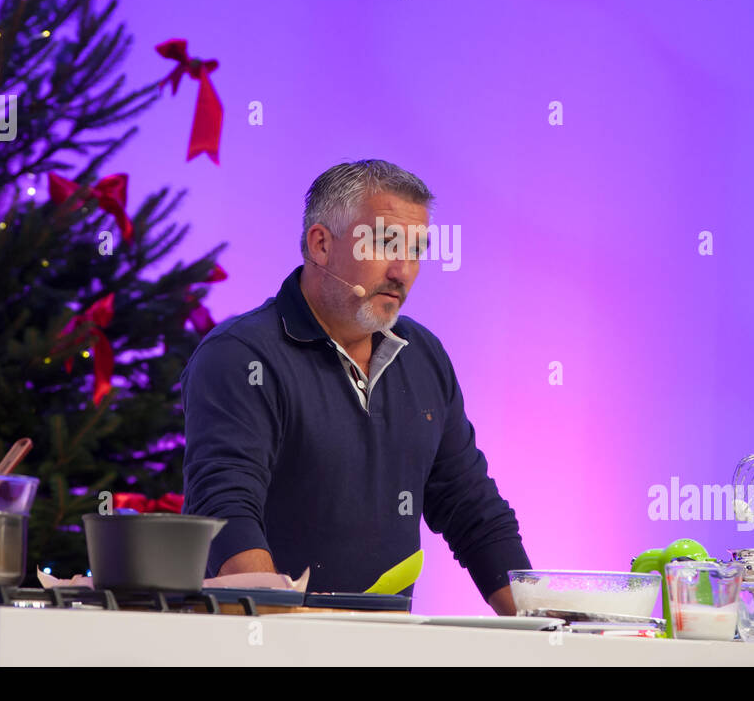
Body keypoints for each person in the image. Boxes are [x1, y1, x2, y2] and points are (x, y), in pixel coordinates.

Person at [180, 160, 530, 613]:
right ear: (321, 245)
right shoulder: (240, 356)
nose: (402, 271)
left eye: (417, 250)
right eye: (384, 244)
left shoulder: (424, 356)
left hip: (385, 650)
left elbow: (472, 509)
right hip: (269, 645)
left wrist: (542, 625)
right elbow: (225, 506)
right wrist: (280, 618)